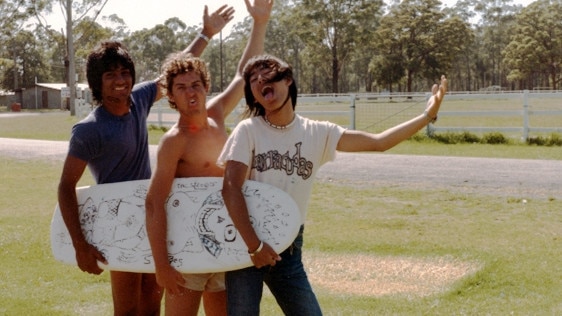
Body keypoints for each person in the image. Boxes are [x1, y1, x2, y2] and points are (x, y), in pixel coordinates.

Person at [217, 54, 447, 315]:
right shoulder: (248, 130)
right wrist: (255, 246)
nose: (260, 82)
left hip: (288, 250)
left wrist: (427, 115)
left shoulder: (318, 132)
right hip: (247, 247)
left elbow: (378, 142)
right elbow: (230, 188)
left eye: (267, 76)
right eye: (253, 81)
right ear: (253, 95)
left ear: (288, 80)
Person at [56, 5, 235, 315]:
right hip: (120, 219)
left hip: (156, 219)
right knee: (127, 309)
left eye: (125, 73)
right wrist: (79, 244)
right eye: (111, 75)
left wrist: (206, 33)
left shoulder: (138, 100)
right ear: (97, 82)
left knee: (153, 304)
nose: (120, 80)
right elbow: (65, 186)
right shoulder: (88, 130)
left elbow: (174, 72)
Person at [144, 1, 273, 315]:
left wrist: (259, 24)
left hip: (224, 242)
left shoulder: (216, 116)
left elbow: (244, 76)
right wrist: (162, 265)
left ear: (205, 87)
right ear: (171, 96)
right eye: (182, 88)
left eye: (196, 86)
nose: (191, 93)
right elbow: (153, 202)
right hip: (186, 250)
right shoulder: (175, 141)